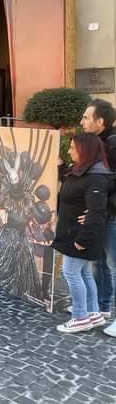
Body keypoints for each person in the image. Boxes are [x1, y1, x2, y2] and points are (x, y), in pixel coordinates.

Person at [52, 134, 113, 333]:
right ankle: (93, 313)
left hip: (79, 236)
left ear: (85, 151)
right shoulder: (81, 171)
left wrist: (82, 240)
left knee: (70, 272)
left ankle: (80, 317)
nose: (69, 151)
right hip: (74, 231)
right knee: (84, 273)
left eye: (72, 148)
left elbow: (97, 212)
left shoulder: (96, 177)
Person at [79, 99, 116, 335]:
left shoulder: (113, 145)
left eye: (85, 117)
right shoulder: (98, 143)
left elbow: (108, 182)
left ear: (99, 122)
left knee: (113, 264)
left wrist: (100, 209)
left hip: (111, 214)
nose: (81, 121)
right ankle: (102, 309)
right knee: (99, 262)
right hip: (101, 214)